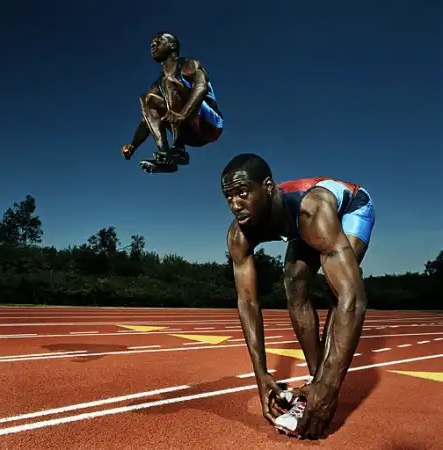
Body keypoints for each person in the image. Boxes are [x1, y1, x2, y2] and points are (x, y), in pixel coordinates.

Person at [221, 153, 375, 440]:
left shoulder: (311, 211)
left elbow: (353, 299)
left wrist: (329, 388)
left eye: (242, 193)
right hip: (301, 224)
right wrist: (261, 375)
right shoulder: (238, 235)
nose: (235, 205)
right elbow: (247, 301)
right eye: (228, 197)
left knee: (339, 291)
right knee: (294, 284)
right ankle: (314, 379)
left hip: (352, 208)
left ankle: (322, 387)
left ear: (268, 187)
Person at [120, 32, 224, 173]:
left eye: (158, 41)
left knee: (169, 82)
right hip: (190, 134)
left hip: (210, 125)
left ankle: (178, 148)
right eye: (152, 43)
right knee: (147, 98)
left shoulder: (189, 65)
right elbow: (147, 120)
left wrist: (183, 114)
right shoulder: (158, 84)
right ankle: (166, 156)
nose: (153, 45)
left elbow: (201, 87)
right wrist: (133, 146)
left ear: (172, 46)